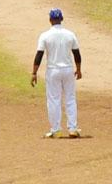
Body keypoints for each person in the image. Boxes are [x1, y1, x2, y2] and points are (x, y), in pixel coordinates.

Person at [31, 8, 82, 139]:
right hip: (68, 70)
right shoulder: (70, 34)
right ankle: (72, 128)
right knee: (70, 98)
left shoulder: (45, 35)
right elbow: (77, 54)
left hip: (53, 70)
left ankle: (56, 130)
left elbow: (39, 55)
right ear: (62, 19)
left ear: (50, 20)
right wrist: (79, 69)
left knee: (54, 100)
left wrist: (34, 73)